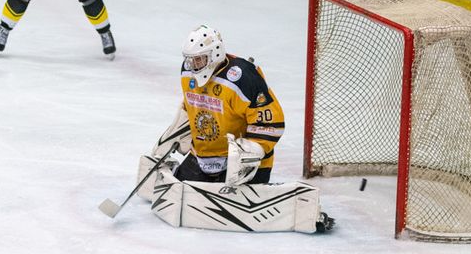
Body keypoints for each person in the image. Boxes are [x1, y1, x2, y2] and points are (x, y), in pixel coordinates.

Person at [137, 25, 334, 234]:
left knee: (215, 196)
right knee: (178, 189)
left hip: (242, 163)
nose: (193, 65)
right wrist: (178, 132)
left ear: (215, 54)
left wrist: (248, 153)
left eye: (199, 59)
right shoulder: (187, 72)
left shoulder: (243, 77)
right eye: (190, 59)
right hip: (203, 157)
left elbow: (271, 123)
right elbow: (192, 107)